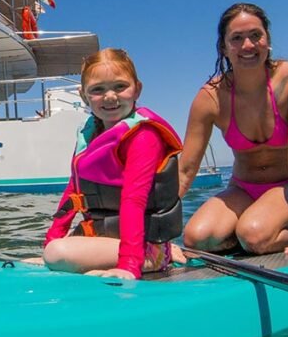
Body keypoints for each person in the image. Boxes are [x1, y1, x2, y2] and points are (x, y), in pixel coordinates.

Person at [179, 2, 288, 257]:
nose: (248, 45)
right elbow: (185, 170)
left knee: (253, 235)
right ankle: (247, 231)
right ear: (223, 47)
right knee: (196, 238)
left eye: (256, 35)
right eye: (237, 38)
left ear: (267, 39)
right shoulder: (210, 97)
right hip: (242, 189)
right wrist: (152, 237)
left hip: (287, 187)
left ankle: (287, 229)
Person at [42, 48, 186, 279]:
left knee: (57, 253)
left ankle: (155, 258)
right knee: (53, 249)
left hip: (143, 248)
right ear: (83, 96)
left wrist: (129, 265)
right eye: (98, 90)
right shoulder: (91, 134)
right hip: (106, 238)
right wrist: (50, 241)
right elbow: (73, 193)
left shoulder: (143, 136)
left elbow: (134, 200)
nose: (110, 96)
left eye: (120, 86)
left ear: (137, 89)